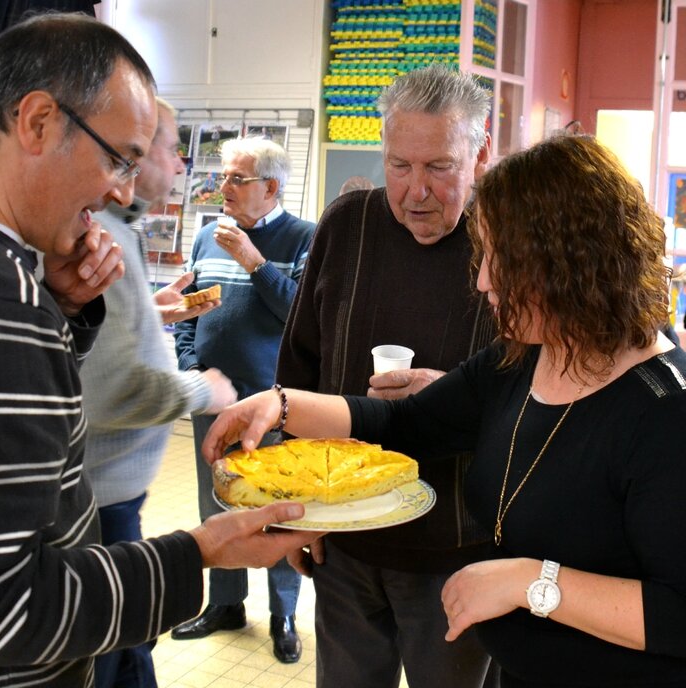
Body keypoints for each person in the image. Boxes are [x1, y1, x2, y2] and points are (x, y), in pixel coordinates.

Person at [0, 13, 320, 687]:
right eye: (118, 157)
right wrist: (196, 553)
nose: (124, 190)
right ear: (36, 122)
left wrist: (59, 314)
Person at [203, 133, 686, 687]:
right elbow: (404, 424)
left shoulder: (666, 413)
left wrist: (529, 582)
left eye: (501, 262)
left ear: (568, 264)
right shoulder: (525, 359)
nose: (483, 283)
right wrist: (281, 404)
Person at [276, 65, 496, 687]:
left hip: (458, 555)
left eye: (438, 168)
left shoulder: (509, 240)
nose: (415, 191)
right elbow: (299, 366)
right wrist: (298, 512)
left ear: (479, 154)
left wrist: (452, 398)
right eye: (399, 166)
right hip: (345, 541)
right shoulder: (348, 225)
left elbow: (540, 390)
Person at [80, 96, 237, 688]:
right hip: (102, 499)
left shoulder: (118, 230)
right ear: (135, 152)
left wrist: (153, 310)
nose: (180, 168)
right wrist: (204, 388)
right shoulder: (108, 236)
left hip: (114, 494)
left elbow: (101, 346)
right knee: (120, 651)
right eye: (171, 151)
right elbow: (114, 389)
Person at [172, 136, 316, 663]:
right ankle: (225, 605)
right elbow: (190, 309)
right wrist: (192, 371)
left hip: (271, 407)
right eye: (223, 176)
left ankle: (283, 616)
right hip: (211, 403)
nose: (222, 187)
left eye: (237, 178)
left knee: (278, 512)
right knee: (217, 506)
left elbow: (303, 318)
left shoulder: (304, 237)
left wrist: (257, 263)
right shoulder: (208, 234)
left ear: (271, 187)